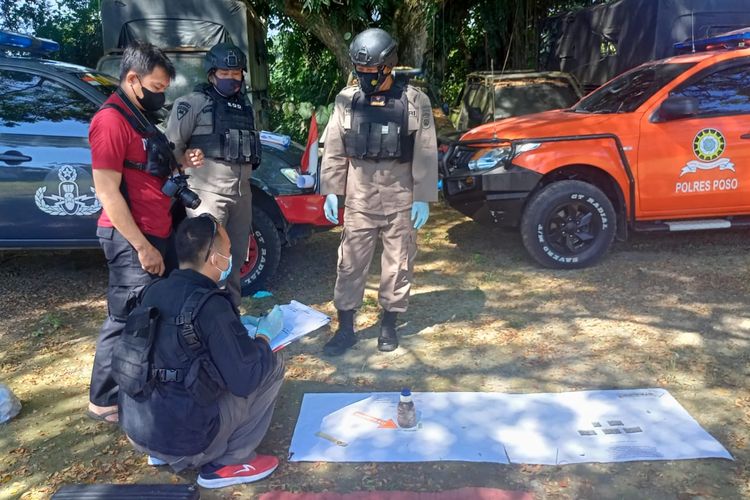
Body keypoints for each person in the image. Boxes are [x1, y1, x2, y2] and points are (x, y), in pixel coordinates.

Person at [117, 215, 285, 488]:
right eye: (228, 252)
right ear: (213, 257)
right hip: (191, 441)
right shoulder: (212, 306)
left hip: (139, 430)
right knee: (271, 360)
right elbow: (246, 378)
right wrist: (265, 335)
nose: (234, 259)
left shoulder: (154, 291)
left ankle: (161, 454)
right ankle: (229, 461)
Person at [87, 43, 204, 423]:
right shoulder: (110, 121)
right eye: (156, 86)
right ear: (132, 79)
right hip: (132, 238)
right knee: (125, 316)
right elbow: (106, 190)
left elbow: (151, 170)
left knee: (153, 312)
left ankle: (138, 380)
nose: (161, 95)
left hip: (159, 229)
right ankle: (103, 398)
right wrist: (141, 247)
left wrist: (183, 162)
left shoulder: (139, 118)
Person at [320, 28, 438, 356]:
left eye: (373, 71)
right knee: (349, 263)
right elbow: (333, 146)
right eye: (362, 71)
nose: (366, 77)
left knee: (398, 263)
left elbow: (426, 149)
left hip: (400, 197)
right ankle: (345, 327)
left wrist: (422, 197)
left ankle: (388, 323)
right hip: (359, 198)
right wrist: (332, 190)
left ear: (389, 66)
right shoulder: (347, 99)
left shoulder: (415, 101)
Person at [166, 41, 261, 308]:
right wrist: (184, 160)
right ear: (211, 74)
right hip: (207, 195)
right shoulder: (191, 104)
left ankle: (229, 316)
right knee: (206, 262)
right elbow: (170, 148)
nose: (232, 79)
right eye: (225, 74)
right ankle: (197, 319)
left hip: (242, 194)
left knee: (235, 258)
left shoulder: (245, 107)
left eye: (237, 74)